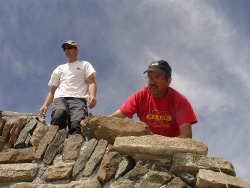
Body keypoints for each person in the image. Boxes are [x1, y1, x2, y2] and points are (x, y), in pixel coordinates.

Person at [109, 60, 197, 138]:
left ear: (168, 81)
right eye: (150, 78)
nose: (152, 82)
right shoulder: (139, 97)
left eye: (157, 78)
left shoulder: (180, 101)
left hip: (172, 151)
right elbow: (115, 118)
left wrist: (162, 146)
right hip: (145, 147)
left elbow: (186, 136)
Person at [39, 40, 97, 136]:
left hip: (79, 99)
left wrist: (92, 95)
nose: (66, 50)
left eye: (69, 47)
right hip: (60, 98)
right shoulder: (59, 69)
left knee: (77, 125)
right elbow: (53, 90)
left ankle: (74, 148)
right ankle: (52, 146)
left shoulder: (84, 65)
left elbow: (91, 82)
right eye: (64, 49)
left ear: (76, 50)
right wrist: (45, 105)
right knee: (59, 115)